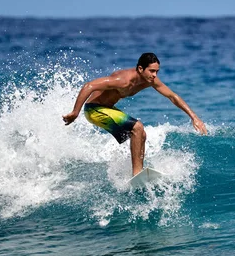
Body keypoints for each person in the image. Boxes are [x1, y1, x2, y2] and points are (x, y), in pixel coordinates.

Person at [62, 52, 207, 176]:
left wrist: (194, 117)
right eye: (151, 71)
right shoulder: (123, 81)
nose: (155, 75)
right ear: (140, 68)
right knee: (137, 127)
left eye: (157, 71)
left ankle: (139, 173)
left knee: (141, 134)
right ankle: (136, 173)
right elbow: (89, 86)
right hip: (94, 109)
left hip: (107, 109)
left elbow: (172, 96)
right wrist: (75, 113)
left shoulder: (149, 81)